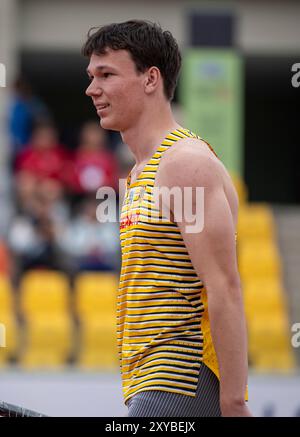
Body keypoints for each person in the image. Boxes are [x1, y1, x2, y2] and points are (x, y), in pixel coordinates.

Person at [83, 20, 251, 417]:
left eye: (107, 74)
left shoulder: (184, 163)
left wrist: (233, 401)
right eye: (91, 76)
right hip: (151, 381)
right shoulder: (140, 173)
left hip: (180, 377)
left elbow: (225, 286)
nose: (92, 89)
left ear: (150, 79)